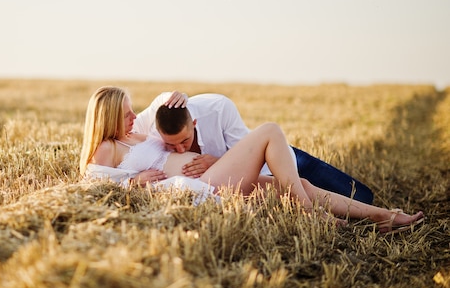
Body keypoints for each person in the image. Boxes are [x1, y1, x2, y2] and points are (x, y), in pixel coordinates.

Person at [79, 86, 425, 234]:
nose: (133, 115)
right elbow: (89, 185)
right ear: (107, 117)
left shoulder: (136, 131)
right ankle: (308, 212)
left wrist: (177, 98)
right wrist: (132, 183)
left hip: (214, 172)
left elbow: (160, 110)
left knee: (298, 184)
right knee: (271, 130)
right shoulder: (108, 146)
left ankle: (387, 216)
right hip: (197, 187)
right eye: (125, 112)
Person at [134, 92, 375, 204]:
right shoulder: (154, 120)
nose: (178, 150)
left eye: (184, 142)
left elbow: (254, 159)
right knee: (327, 202)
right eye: (169, 144)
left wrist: (216, 161)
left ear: (194, 124)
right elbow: (121, 126)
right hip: (261, 182)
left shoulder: (218, 108)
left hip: (279, 160)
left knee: (362, 197)